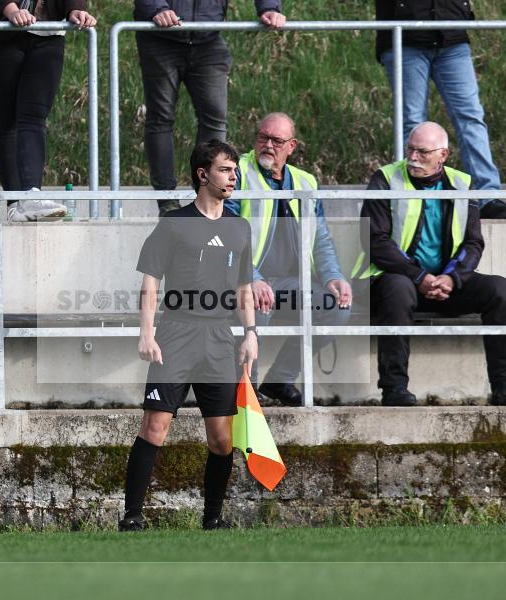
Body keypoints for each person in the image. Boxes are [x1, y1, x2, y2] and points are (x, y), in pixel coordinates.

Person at [121, 140, 257, 531]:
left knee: (221, 440)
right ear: (202, 174)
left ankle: (212, 519)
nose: (234, 176)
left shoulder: (239, 226)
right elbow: (150, 281)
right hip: (176, 334)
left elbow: (244, 286)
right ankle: (132, 517)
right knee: (154, 427)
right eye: (225, 169)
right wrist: (147, 332)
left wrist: (250, 332)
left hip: (218, 338)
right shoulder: (174, 224)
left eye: (235, 170)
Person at [353, 123, 506, 407]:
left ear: (443, 154)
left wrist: (452, 278)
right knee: (398, 287)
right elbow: (375, 241)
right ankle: (394, 388)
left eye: (423, 152)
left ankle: (505, 384)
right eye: (410, 149)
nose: (413, 157)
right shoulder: (385, 179)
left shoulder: (461, 184)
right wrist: (419, 276)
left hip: (443, 284)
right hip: (392, 281)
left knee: (500, 289)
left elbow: (473, 243)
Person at [225, 113, 351, 407]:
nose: (268, 145)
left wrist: (333, 276)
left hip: (291, 283)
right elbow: (227, 231)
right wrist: (251, 278)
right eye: (262, 137)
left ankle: (280, 379)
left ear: (291, 146)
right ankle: (246, 392)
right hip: (244, 279)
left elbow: (320, 238)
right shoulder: (237, 171)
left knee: (336, 309)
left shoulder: (306, 181)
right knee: (256, 307)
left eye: (277, 141)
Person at [134, 1, 286, 216]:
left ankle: (207, 195)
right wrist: (156, 9)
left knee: (215, 120)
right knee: (161, 118)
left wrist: (269, 8)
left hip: (209, 39)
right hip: (160, 37)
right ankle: (166, 199)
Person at [375, 0, 506, 220]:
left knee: (471, 117)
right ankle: (411, 197)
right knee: (411, 122)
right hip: (405, 37)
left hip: (452, 37)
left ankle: (487, 196)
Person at [0, 0, 96, 222]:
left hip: (48, 35)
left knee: (34, 117)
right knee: (7, 122)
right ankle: (14, 204)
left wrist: (75, 9)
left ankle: (31, 195)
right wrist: (10, 10)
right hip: (2, 32)